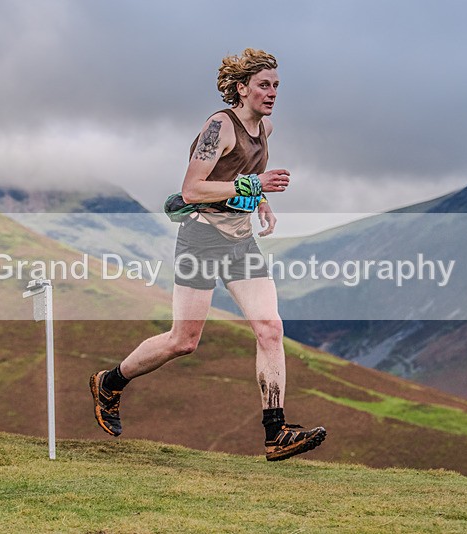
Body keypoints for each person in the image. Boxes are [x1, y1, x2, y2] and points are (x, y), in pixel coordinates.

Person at [90, 48, 326, 461]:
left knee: (270, 328)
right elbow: (192, 190)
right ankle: (110, 382)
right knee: (183, 341)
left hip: (240, 242)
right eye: (263, 86)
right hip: (201, 239)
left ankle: (276, 432)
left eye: (276, 86)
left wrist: (261, 203)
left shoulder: (265, 129)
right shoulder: (220, 126)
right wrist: (255, 188)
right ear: (241, 88)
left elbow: (241, 178)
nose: (271, 93)